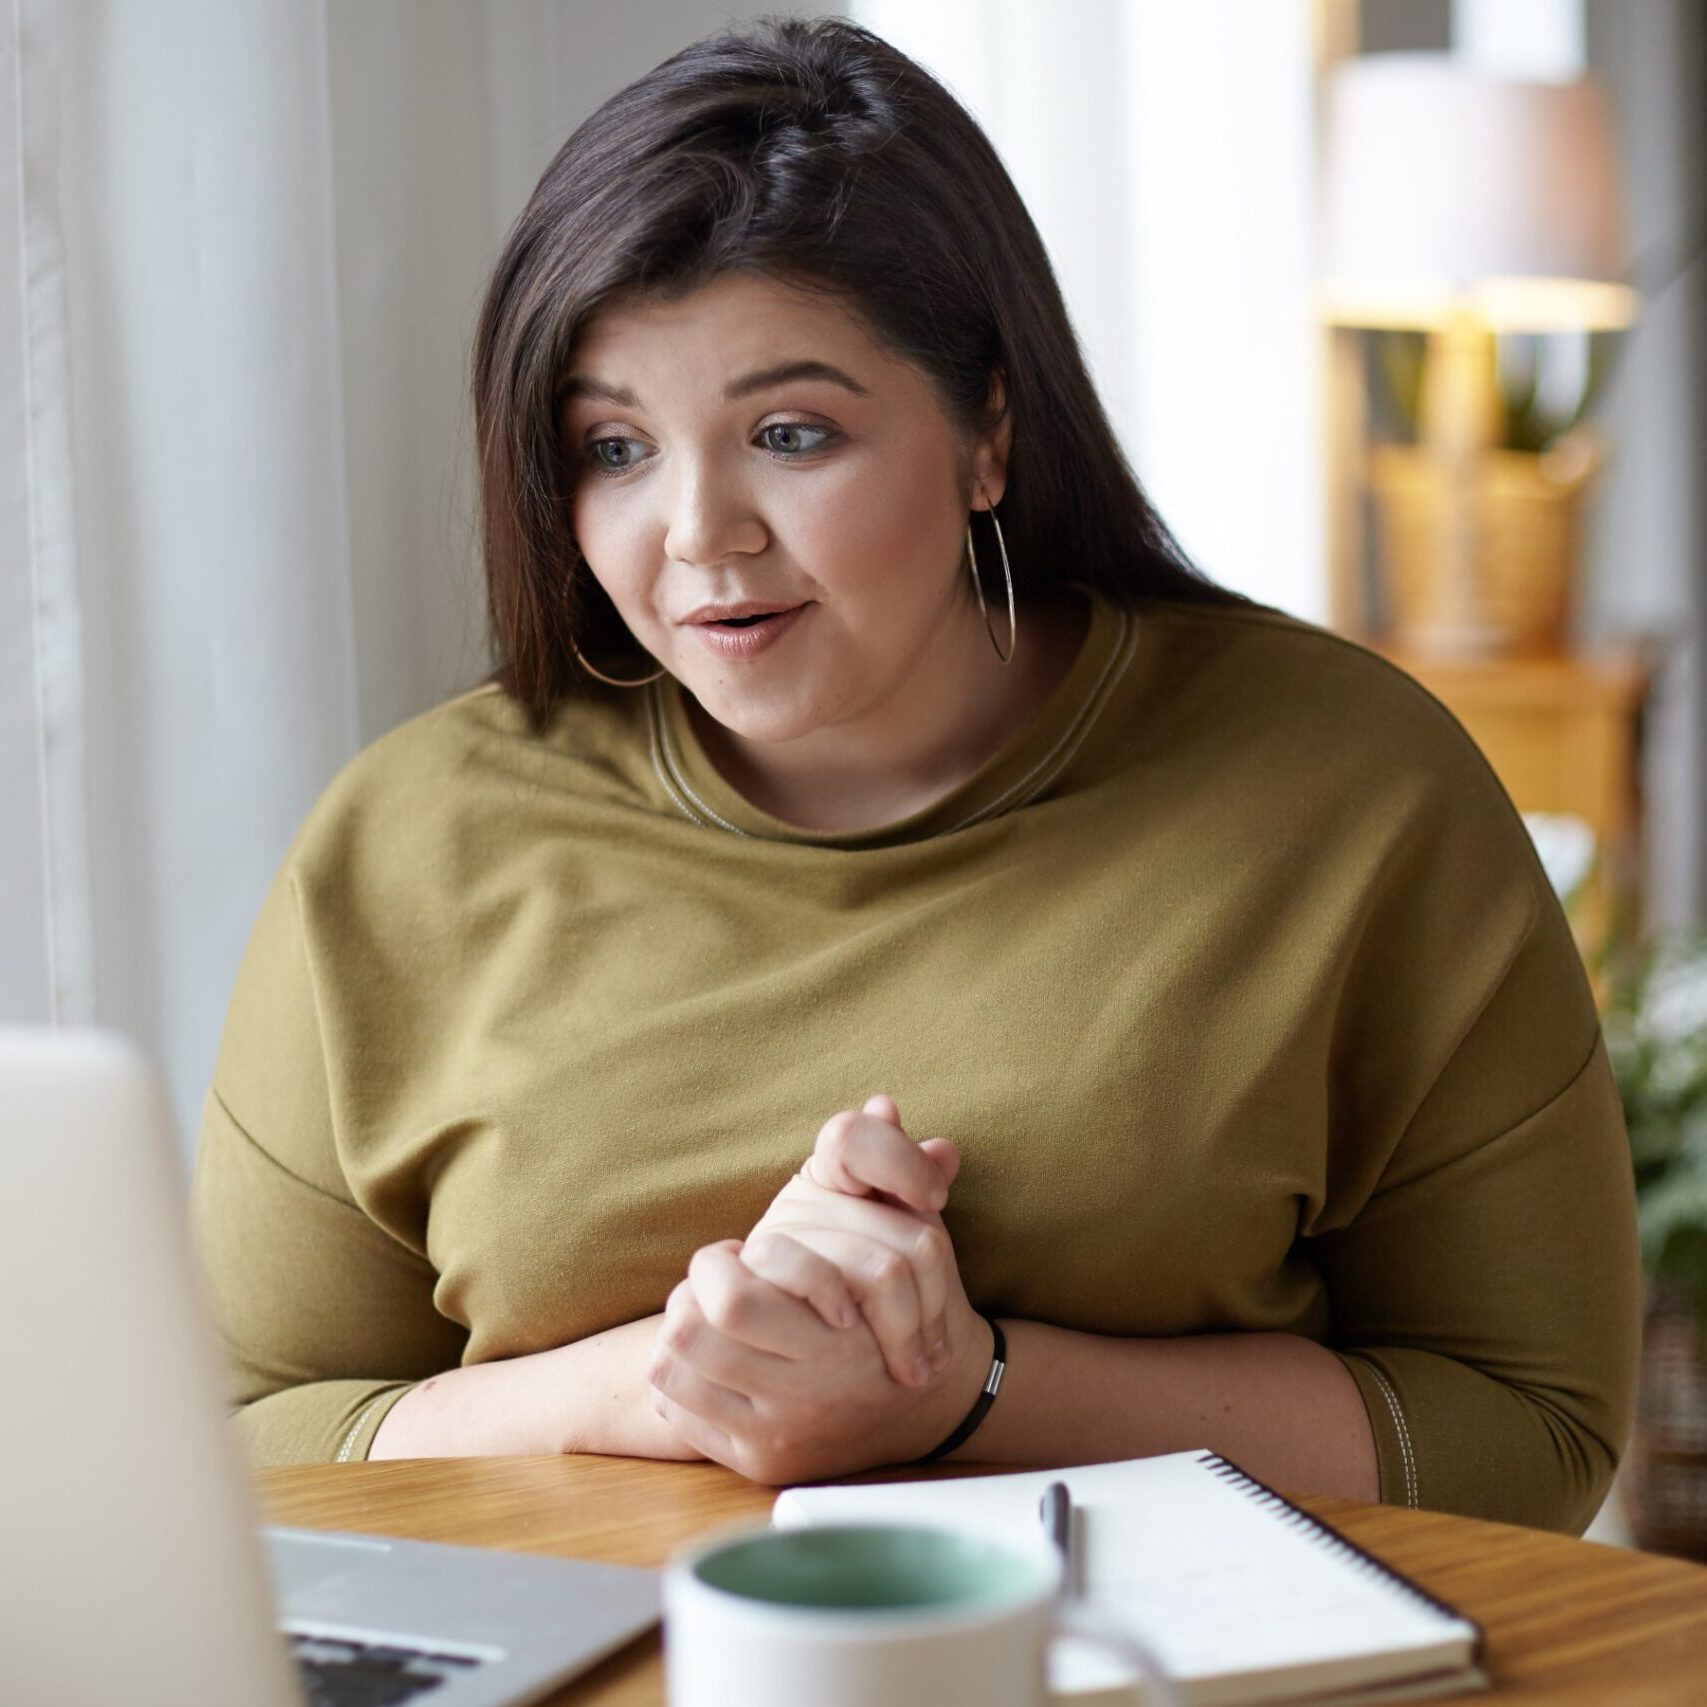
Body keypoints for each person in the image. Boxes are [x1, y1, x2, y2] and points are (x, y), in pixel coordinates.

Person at [189, 16, 1640, 1534]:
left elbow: (1525, 1427)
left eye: (790, 431)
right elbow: (237, 1439)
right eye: (614, 448)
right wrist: (654, 1390)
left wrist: (972, 1393)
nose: (699, 535)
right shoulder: (406, 841)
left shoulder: (1353, 792)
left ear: (988, 430)